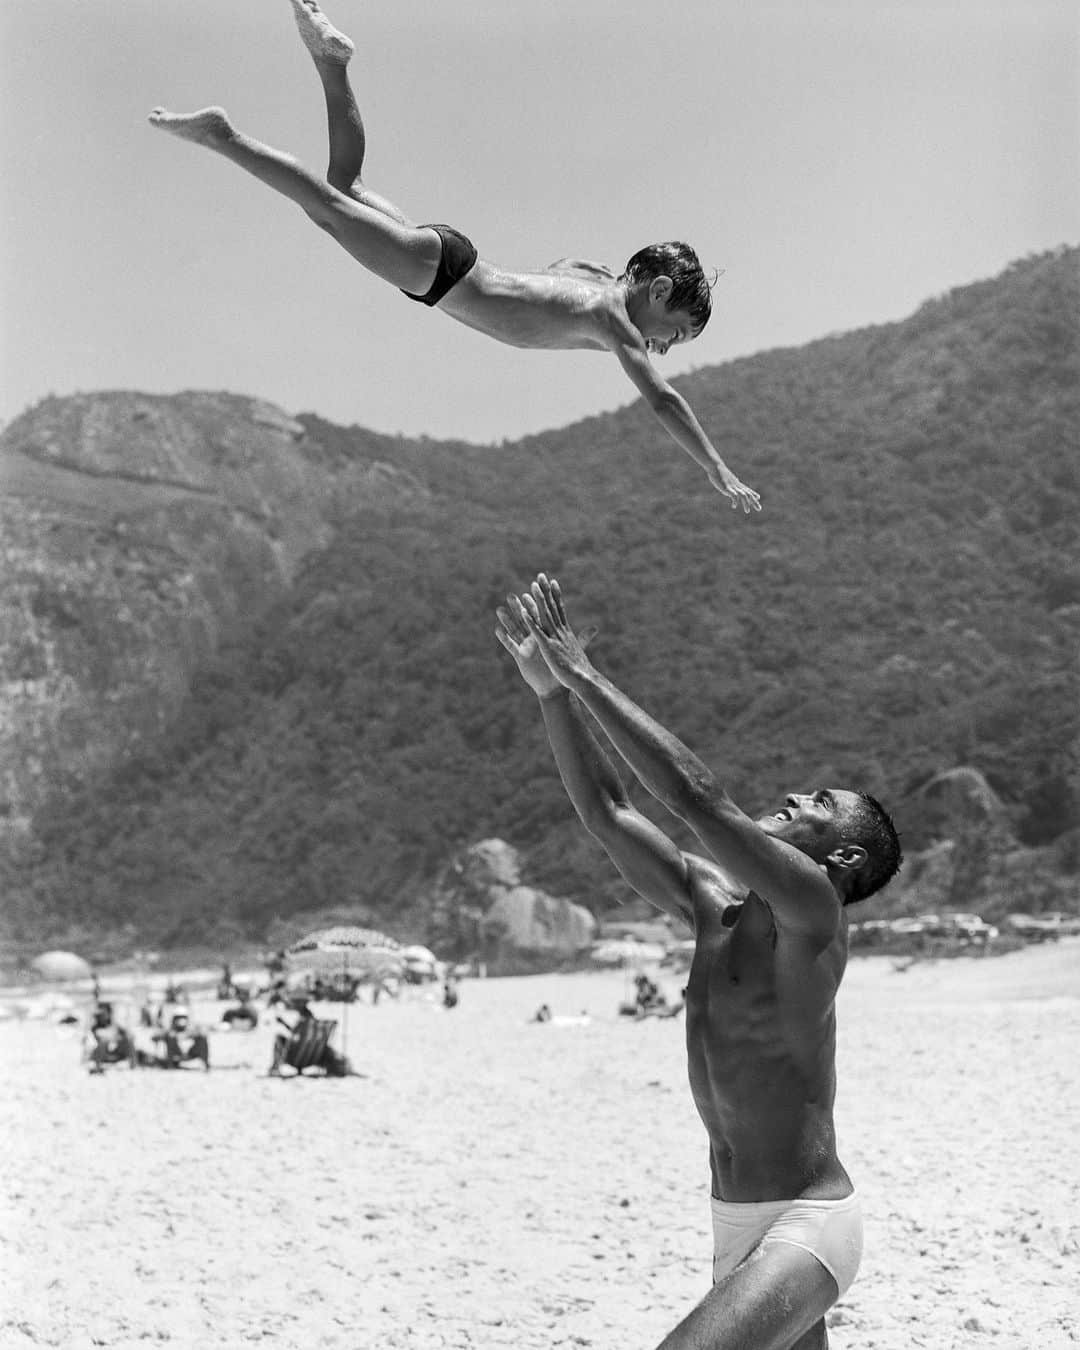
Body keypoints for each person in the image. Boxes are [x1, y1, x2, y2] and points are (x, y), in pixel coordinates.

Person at [495, 573, 903, 1350]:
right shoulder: (713, 909)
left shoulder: (814, 912)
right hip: (732, 1223)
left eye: (818, 801)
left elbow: (696, 799)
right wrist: (551, 696)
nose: (795, 794)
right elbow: (609, 813)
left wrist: (585, 672)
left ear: (843, 855)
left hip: (805, 1223)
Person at [147, 0, 760, 514]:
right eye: (674, 334)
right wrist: (715, 465)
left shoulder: (597, 285)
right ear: (655, 293)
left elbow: (561, 274)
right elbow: (663, 400)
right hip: (445, 275)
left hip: (455, 262)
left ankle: (331, 61)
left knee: (344, 187)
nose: (665, 349)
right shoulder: (614, 321)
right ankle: (222, 136)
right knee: (328, 212)